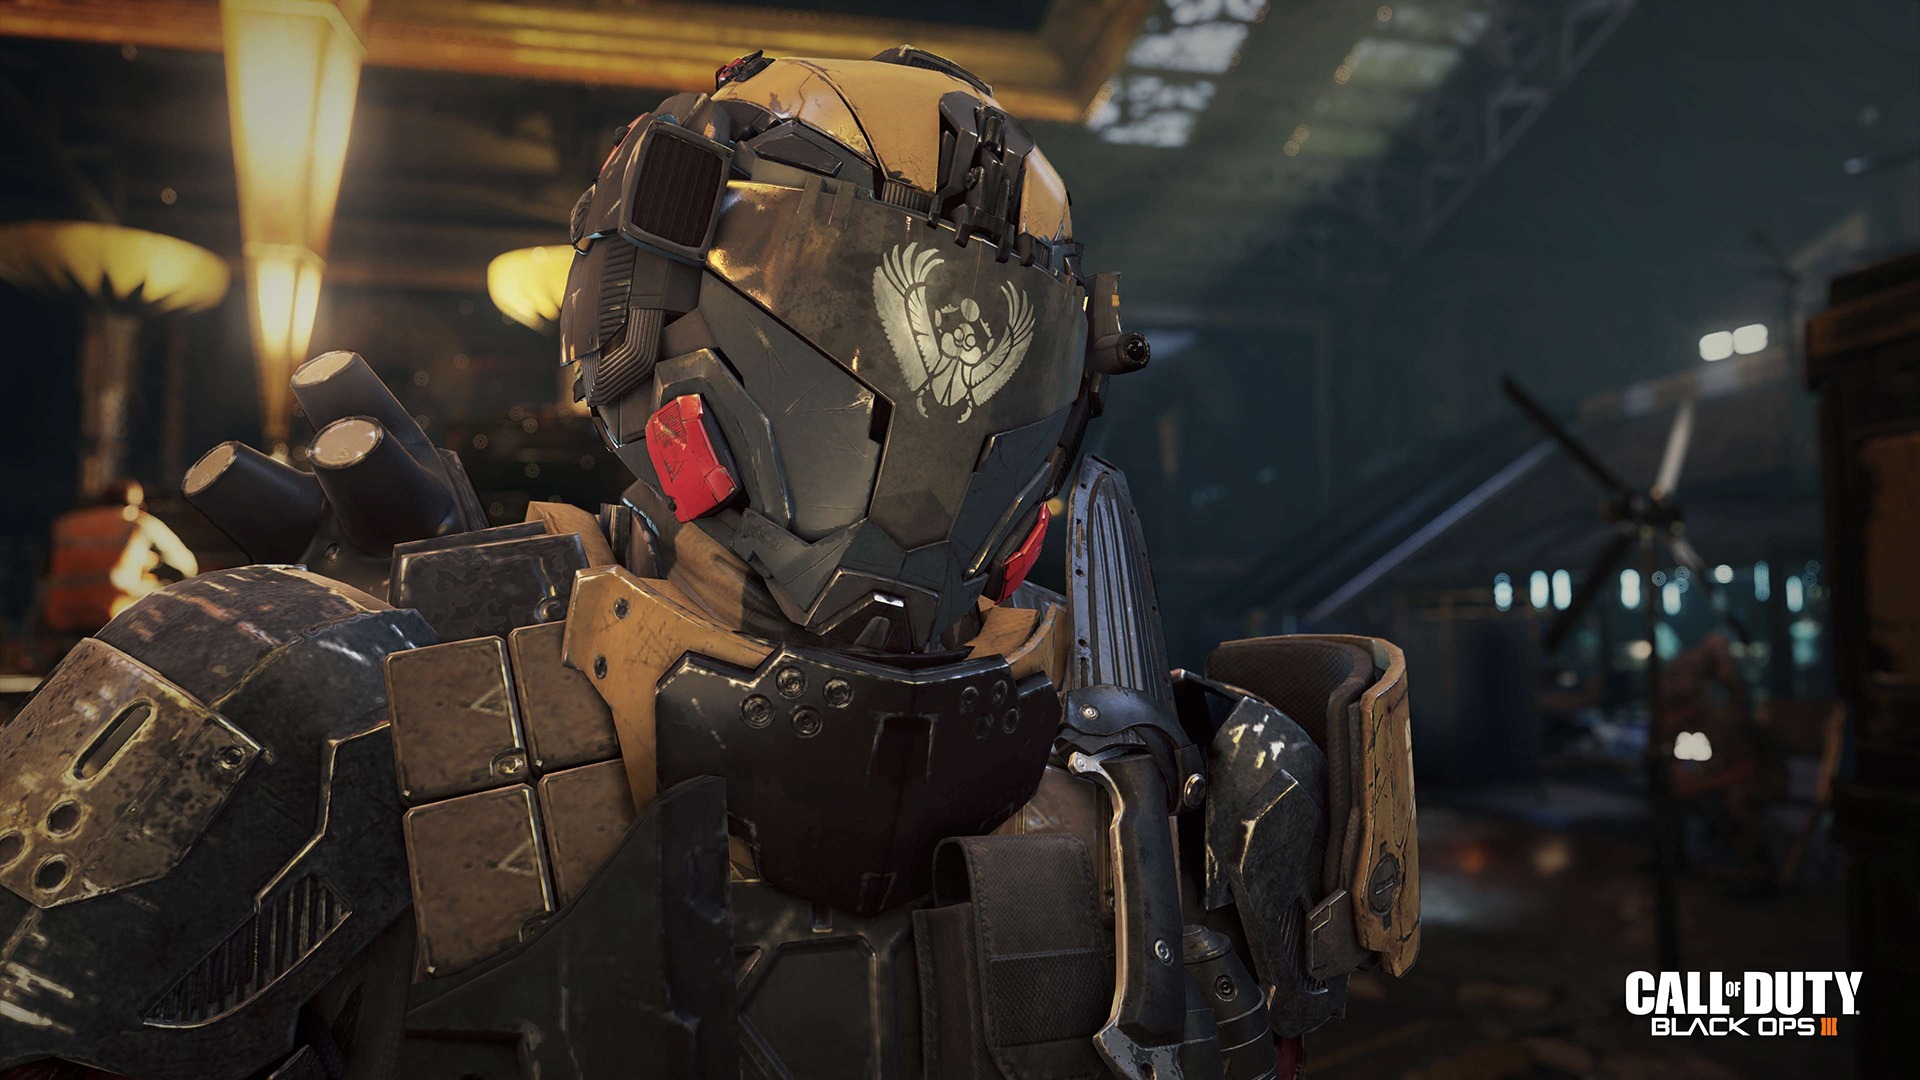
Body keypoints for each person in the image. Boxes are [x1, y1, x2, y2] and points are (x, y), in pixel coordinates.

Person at [0, 49, 1419, 1080]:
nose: (932, 399)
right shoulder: (320, 700)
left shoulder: (1177, 794)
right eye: (860, 301)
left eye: (998, 330)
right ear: (646, 311)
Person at [40, 477, 197, 632]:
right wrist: (153, 568)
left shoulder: (67, 523)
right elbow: (188, 566)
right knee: (159, 587)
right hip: (115, 612)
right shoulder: (138, 522)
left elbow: (46, 568)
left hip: (61, 614)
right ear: (137, 504)